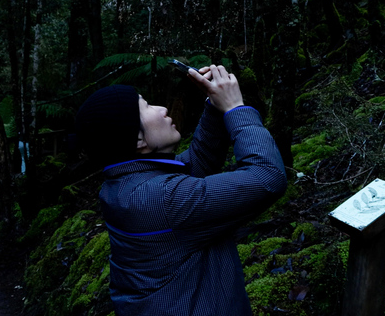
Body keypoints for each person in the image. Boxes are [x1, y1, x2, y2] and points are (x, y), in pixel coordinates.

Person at [75, 65, 287, 315]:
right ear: (137, 141)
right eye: (147, 107)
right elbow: (267, 177)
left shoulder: (125, 185)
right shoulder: (160, 199)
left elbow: (195, 166)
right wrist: (236, 109)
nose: (162, 109)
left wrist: (214, 104)